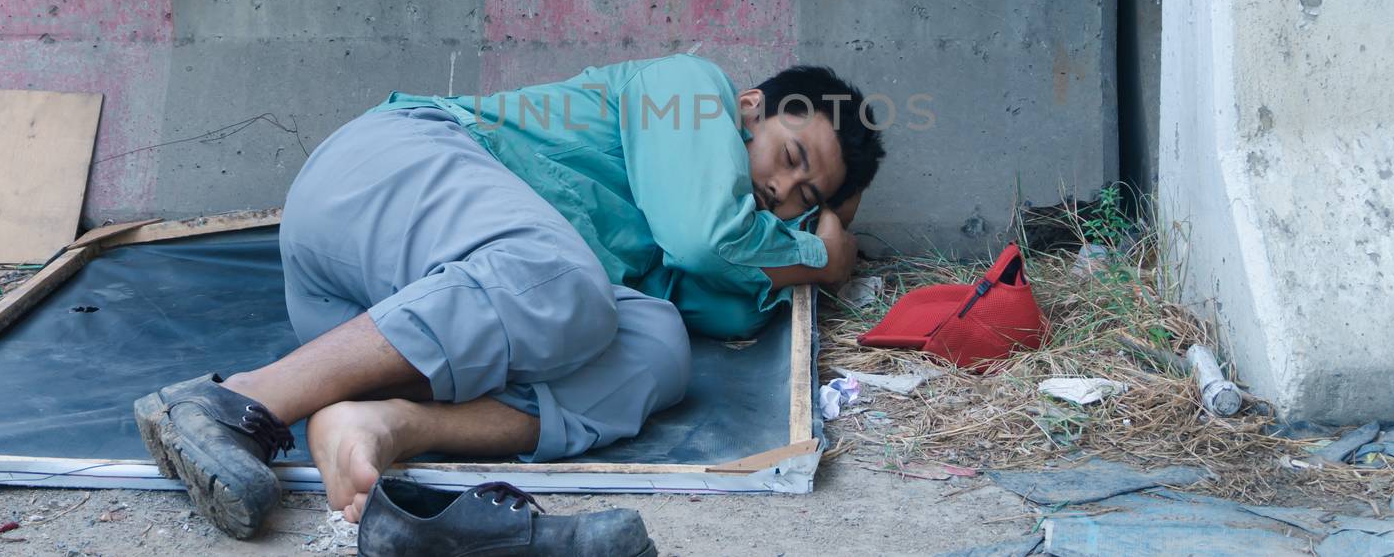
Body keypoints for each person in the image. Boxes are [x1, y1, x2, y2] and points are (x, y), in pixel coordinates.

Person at [134, 54, 886, 539]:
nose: (780, 189)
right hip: (384, 177)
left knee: (658, 346)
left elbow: (717, 306)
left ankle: (385, 421)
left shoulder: (716, 234)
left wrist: (816, 237)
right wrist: (821, 252)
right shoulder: (690, 91)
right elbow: (700, 237)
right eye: (789, 157)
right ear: (751, 107)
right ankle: (236, 403)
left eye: (805, 195)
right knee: (566, 283)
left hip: (397, 321)